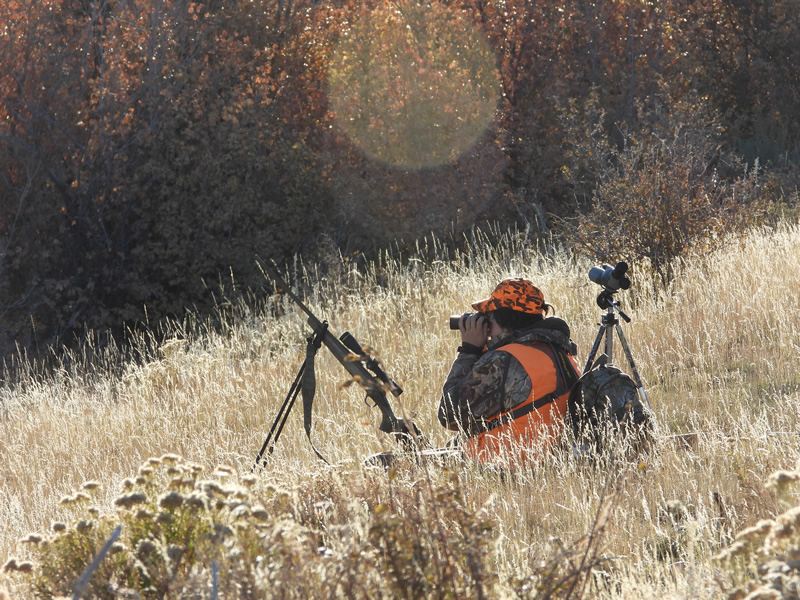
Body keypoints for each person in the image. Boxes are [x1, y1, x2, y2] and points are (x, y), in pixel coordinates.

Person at [438, 278, 581, 467]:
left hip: (503, 469)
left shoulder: (504, 360)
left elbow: (449, 415)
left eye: (488, 318)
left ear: (501, 318)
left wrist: (469, 350)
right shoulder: (559, 352)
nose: (487, 329)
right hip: (551, 466)